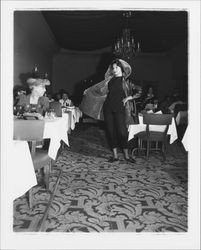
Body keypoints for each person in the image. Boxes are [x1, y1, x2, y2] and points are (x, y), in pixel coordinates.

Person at [80, 58, 141, 163]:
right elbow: (97, 87)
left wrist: (128, 98)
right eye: (113, 68)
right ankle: (115, 156)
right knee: (110, 132)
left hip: (120, 109)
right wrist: (88, 90)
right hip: (108, 108)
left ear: (121, 68)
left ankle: (126, 156)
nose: (114, 70)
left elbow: (139, 91)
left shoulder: (127, 81)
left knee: (122, 132)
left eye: (117, 67)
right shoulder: (109, 80)